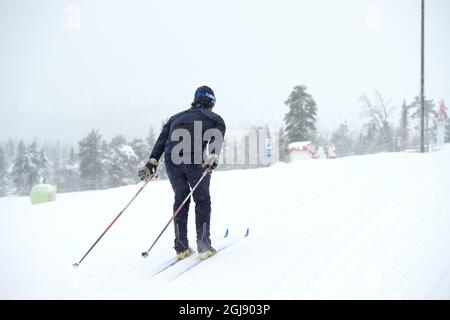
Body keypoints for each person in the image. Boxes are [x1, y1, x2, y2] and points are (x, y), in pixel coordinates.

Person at [138, 86, 226, 260]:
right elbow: (216, 136)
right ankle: (204, 246)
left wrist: (152, 163)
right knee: (201, 200)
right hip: (195, 162)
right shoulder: (215, 118)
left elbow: (161, 141)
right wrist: (213, 155)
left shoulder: (174, 118)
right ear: (212, 102)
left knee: (181, 199)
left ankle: (181, 248)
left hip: (172, 162)